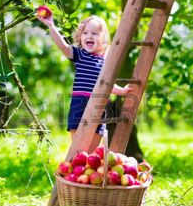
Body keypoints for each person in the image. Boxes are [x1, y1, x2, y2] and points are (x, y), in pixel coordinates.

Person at [37, 12, 133, 152]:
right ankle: (75, 167)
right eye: (85, 33)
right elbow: (63, 46)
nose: (89, 36)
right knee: (78, 148)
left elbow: (108, 85)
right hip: (80, 104)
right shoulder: (80, 55)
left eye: (94, 33)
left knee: (92, 150)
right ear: (80, 37)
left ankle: (88, 169)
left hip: (99, 105)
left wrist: (122, 91)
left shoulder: (106, 62)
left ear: (103, 39)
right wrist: (52, 26)